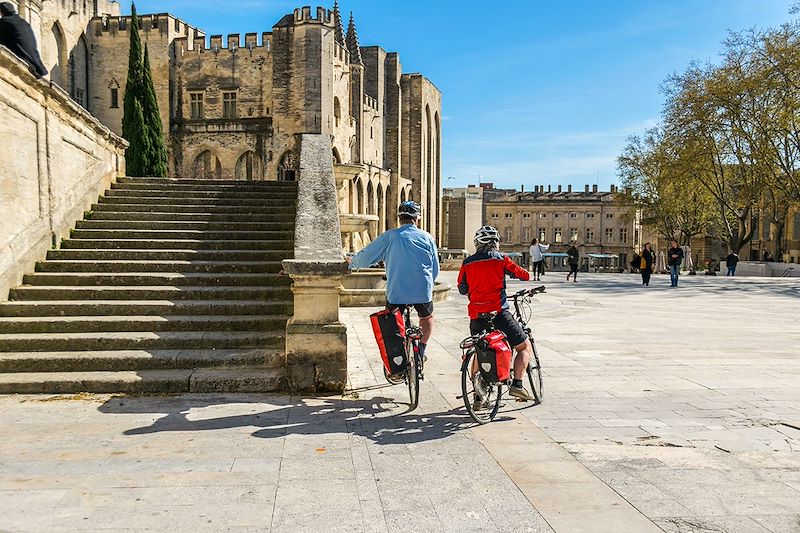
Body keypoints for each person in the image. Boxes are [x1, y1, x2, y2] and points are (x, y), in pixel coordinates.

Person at [349, 201, 439, 364]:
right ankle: (422, 350)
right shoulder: (427, 237)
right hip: (422, 291)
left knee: (392, 320)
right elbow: (435, 269)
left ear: (399, 218)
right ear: (417, 218)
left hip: (397, 292)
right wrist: (427, 284)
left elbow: (366, 256)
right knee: (427, 317)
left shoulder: (390, 236)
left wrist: (352, 263)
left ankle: (397, 357)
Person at [457, 226, 535, 402]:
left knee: (479, 350)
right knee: (523, 346)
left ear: (477, 243)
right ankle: (517, 385)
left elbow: (462, 288)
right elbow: (524, 275)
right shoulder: (502, 260)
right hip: (499, 314)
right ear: (495, 243)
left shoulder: (467, 263)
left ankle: (478, 397)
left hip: (477, 315)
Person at [0, 2, 48, 78]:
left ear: (2, 11)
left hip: (22, 54)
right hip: (34, 58)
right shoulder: (23, 22)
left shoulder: (5, 21)